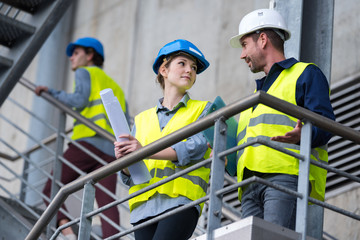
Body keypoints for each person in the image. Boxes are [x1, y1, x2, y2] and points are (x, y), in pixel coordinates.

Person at [229, 9, 335, 230]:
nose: (242, 55)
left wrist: (302, 136)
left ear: (263, 40)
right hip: (249, 186)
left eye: (245, 45)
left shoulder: (305, 73)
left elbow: (326, 124)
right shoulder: (254, 96)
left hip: (284, 177)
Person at [114, 39, 211, 240]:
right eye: (182, 63)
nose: (190, 70)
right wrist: (124, 160)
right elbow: (130, 175)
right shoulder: (141, 119)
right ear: (163, 70)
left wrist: (143, 150)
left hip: (180, 202)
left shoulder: (204, 109)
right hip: (143, 207)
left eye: (194, 67)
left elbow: (196, 147)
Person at [35, 37, 127, 239]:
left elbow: (79, 99)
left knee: (50, 189)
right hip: (111, 150)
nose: (71, 58)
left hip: (87, 143)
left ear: (90, 55)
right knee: (107, 204)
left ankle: (67, 234)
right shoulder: (116, 87)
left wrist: (53, 93)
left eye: (76, 53)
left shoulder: (85, 72)